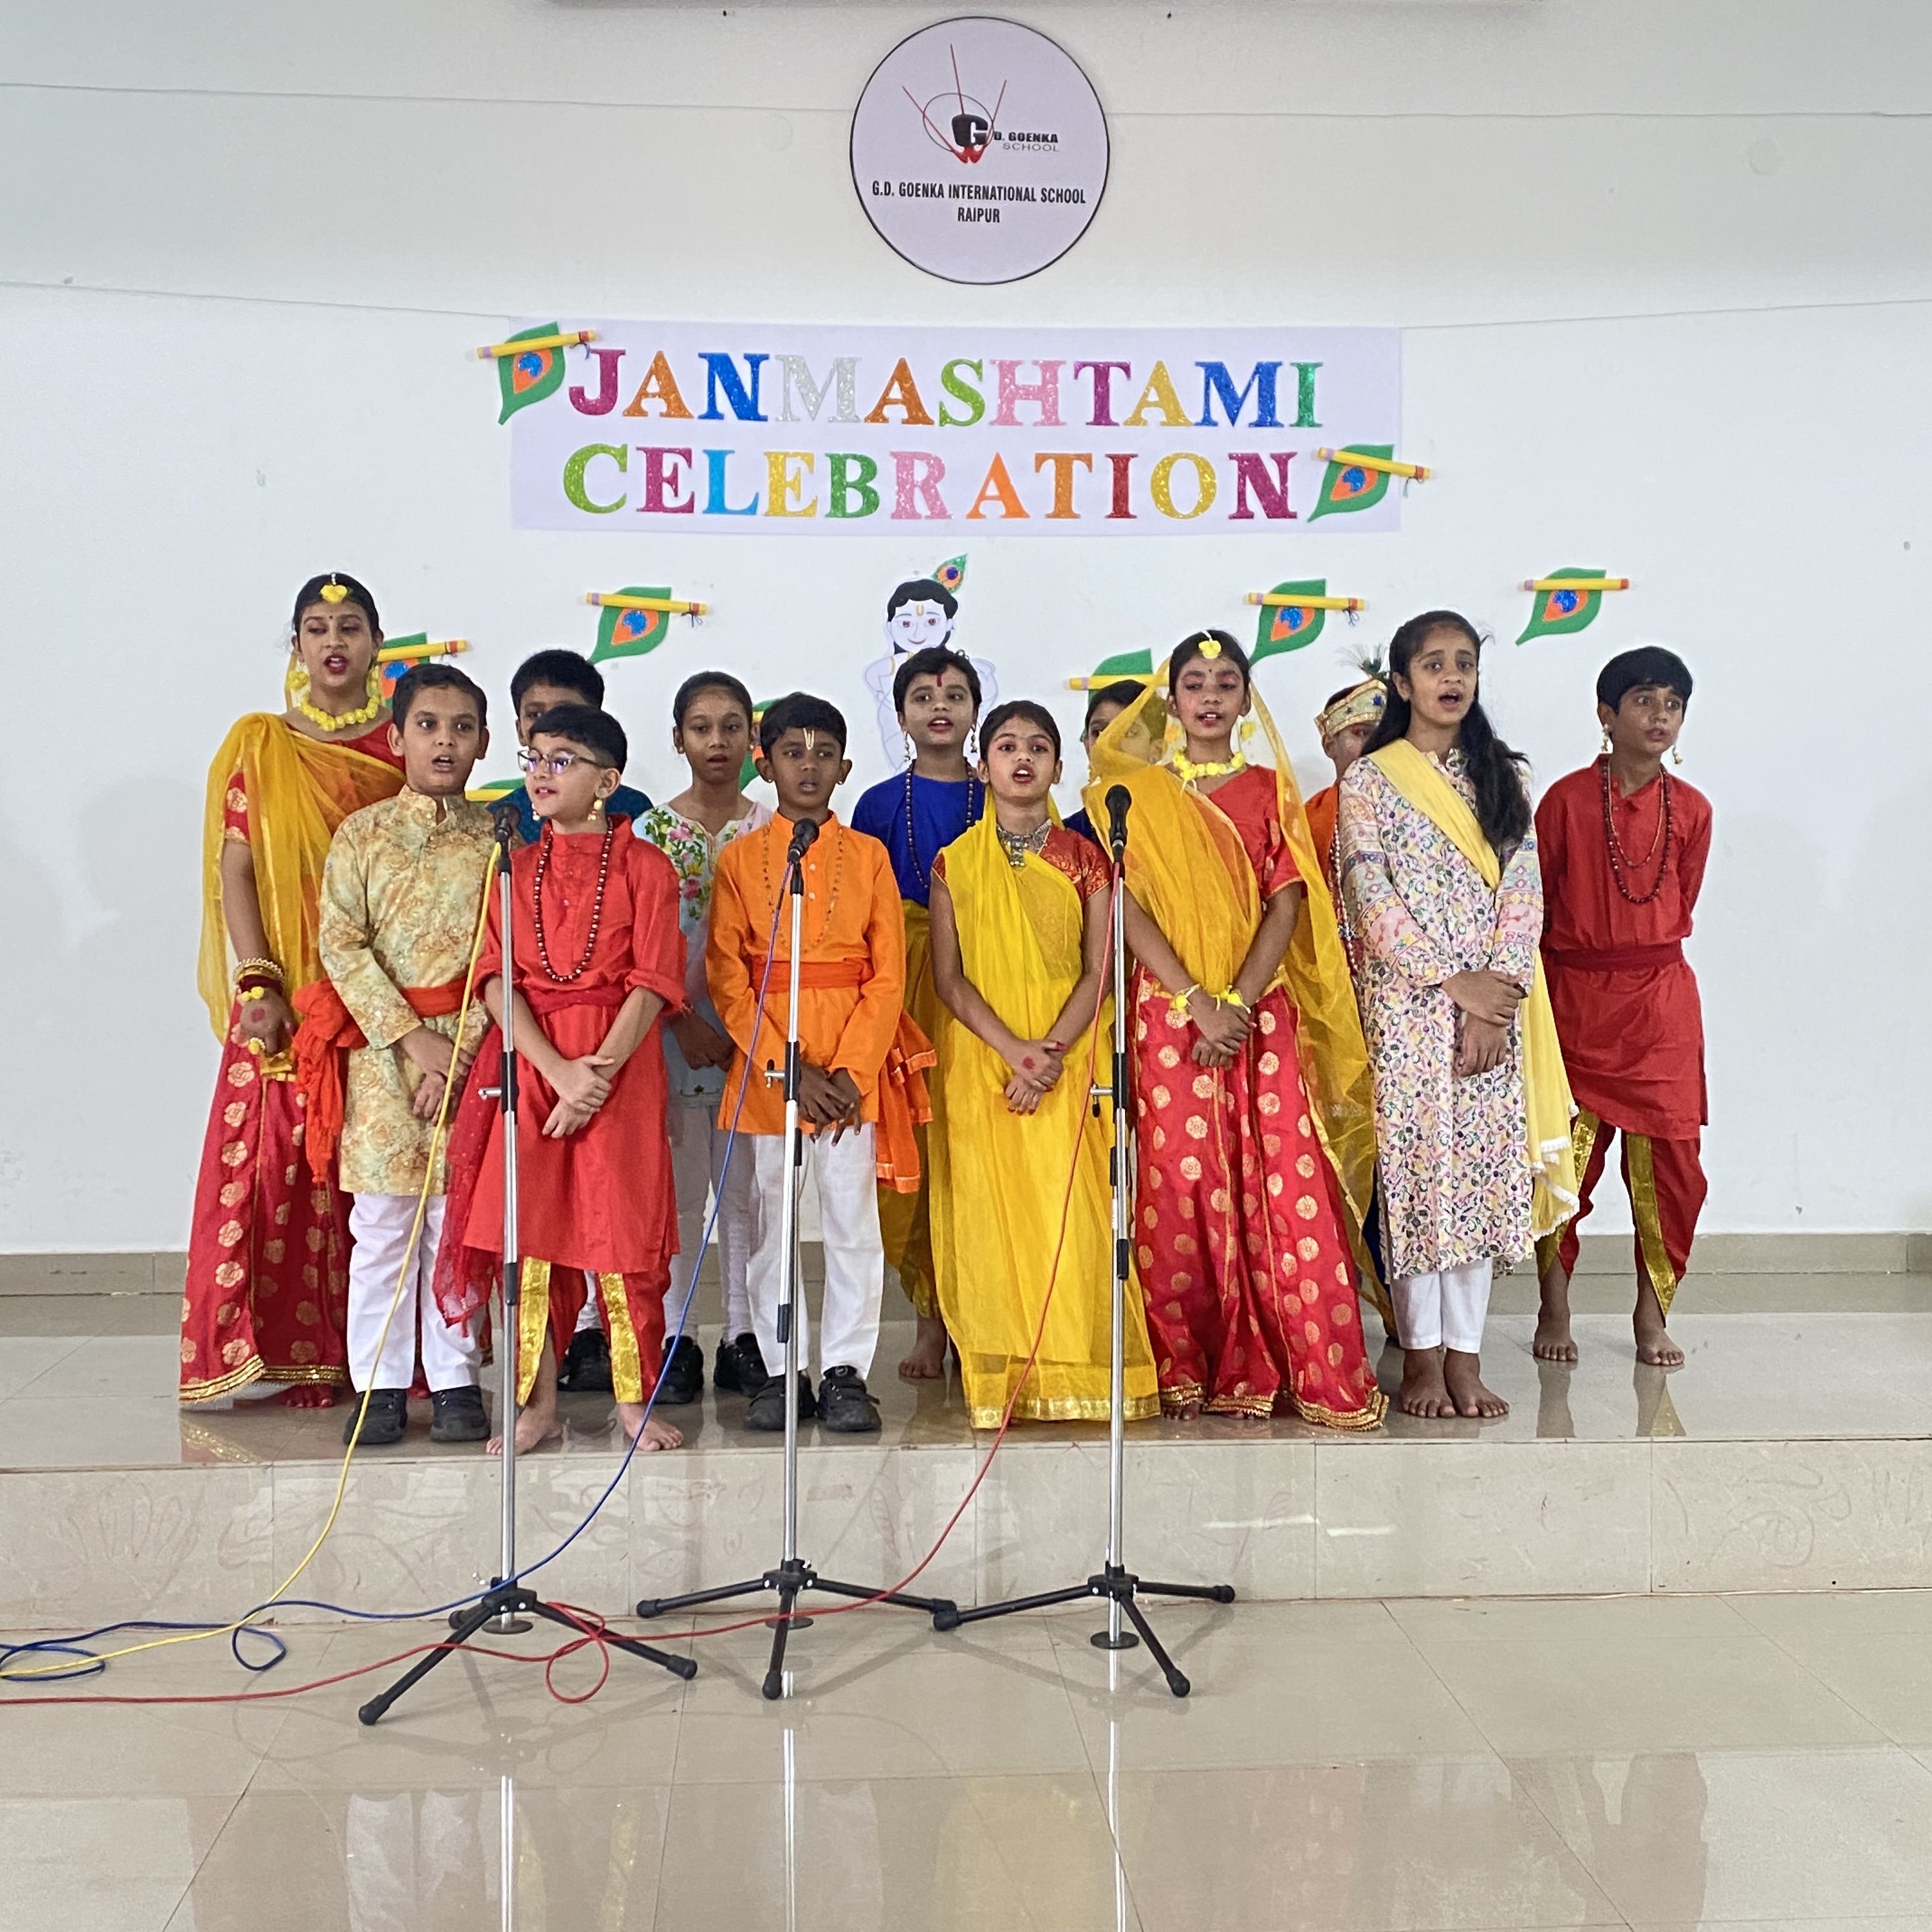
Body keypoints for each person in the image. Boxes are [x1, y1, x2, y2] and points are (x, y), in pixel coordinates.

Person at [1085, 631, 1386, 1427]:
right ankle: (1185, 1363)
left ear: (1246, 700)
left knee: (1281, 1179)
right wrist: (1196, 1000)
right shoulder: (1136, 796)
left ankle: (1297, 1363)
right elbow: (1127, 903)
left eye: (1226, 683)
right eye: (1195, 683)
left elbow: (1286, 898)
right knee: (1177, 1186)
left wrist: (1238, 1002)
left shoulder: (1269, 789)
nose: (1211, 697)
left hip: (1260, 1011)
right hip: (1169, 1012)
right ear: (1172, 701)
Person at [1337, 610, 1577, 1420]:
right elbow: (1371, 900)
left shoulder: (1505, 777)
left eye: (1464, 663)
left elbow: (1524, 894)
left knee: (1478, 1179)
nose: (1451, 677)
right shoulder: (1370, 783)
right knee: (1416, 1180)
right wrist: (1452, 982)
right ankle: (1421, 1360)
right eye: (1434, 664)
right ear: (1402, 684)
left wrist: (1494, 1001)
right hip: (1408, 1011)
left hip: (1493, 1013)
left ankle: (1466, 1358)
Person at [434, 705, 686, 1455]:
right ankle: (536, 1405)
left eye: (562, 760)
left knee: (622, 1238)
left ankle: (633, 1402)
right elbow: (494, 981)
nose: (541, 773)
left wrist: (593, 1079)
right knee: (530, 1239)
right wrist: (555, 1072)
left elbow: (653, 984)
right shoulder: (511, 868)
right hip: (533, 1066)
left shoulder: (648, 867)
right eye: (534, 758)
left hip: (619, 1071)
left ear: (606, 782)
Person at [182, 571, 405, 1408]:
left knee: (377, 1176)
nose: (334, 643)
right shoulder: (263, 745)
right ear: (297, 644)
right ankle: (276, 1351)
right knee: (278, 1167)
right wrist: (257, 979)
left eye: (350, 627)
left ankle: (383, 1359)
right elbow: (236, 869)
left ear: (377, 643)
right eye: (317, 628)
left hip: (380, 995)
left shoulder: (405, 745)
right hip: (289, 991)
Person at [927, 701, 1159, 1428]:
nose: (1022, 758)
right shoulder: (954, 863)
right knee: (990, 1214)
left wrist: (1049, 1054)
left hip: (1070, 1056)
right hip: (985, 1061)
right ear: (983, 766)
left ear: (1059, 768)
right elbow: (949, 980)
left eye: (1038, 747)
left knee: (1073, 1210)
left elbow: (1101, 970)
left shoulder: (1088, 859)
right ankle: (1001, 1377)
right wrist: (1014, 1052)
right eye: (1006, 746)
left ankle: (1076, 1371)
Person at [709, 694, 921, 1434]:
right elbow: (728, 979)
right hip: (772, 1073)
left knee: (852, 1223)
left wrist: (849, 1074)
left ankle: (844, 1373)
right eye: (793, 753)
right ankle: (781, 1371)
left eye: (823, 753)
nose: (809, 766)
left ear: (846, 767)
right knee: (775, 1223)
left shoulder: (869, 856)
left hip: (850, 1076)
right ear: (764, 764)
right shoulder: (739, 860)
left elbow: (887, 977)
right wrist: (789, 1069)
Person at [307, 664, 495, 1445]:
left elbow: (506, 960)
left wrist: (460, 1054)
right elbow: (341, 946)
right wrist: (415, 1041)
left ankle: (455, 1380)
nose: (444, 742)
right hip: (384, 1056)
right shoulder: (362, 836)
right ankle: (378, 1384)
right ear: (396, 738)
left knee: (457, 1222)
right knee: (384, 1226)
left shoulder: (499, 843)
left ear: (484, 743)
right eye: (428, 725)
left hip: (473, 1057)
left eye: (461, 728)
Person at [1533, 647, 1711, 1369]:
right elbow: (1536, 905)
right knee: (1561, 1165)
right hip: (1574, 1001)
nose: (1659, 716)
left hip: (1661, 1006)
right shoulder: (1565, 801)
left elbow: (1681, 899)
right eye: (1643, 701)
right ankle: (1554, 1305)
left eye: (1673, 704)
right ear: (1607, 715)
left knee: (1674, 1169)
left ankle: (1652, 1314)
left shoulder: (1694, 809)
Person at [634, 671, 772, 1402]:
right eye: (701, 727)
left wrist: (754, 1032)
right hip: (671, 1038)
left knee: (743, 1195)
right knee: (683, 1197)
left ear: (753, 738)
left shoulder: (774, 832)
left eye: (731, 727)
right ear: (678, 739)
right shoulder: (650, 836)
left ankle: (743, 1335)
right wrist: (681, 1020)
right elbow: (635, 948)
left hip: (755, 1042)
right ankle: (678, 1336)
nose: (717, 741)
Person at [850, 645, 984, 1383]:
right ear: (900, 716)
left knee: (978, 1155)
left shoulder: (1003, 788)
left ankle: (984, 1321)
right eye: (924, 697)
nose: (940, 707)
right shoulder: (876, 805)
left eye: (955, 695)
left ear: (975, 712)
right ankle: (932, 1321)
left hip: (984, 991)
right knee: (922, 1157)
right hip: (904, 994)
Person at [497, 649, 652, 847]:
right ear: (520, 731)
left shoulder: (634, 808)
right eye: (536, 715)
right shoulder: (503, 817)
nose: (550, 725)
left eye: (566, 712)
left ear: (596, 723)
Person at [1303, 674, 1388, 893]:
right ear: (1329, 746)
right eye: (1361, 733)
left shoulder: (1413, 807)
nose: (1374, 745)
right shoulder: (1309, 820)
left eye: (1383, 736)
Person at [1063, 679, 1149, 848]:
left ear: (1158, 746)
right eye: (1100, 732)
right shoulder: (1069, 836)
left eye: (1129, 732)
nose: (1110, 743)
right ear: (1087, 746)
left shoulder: (1184, 824)